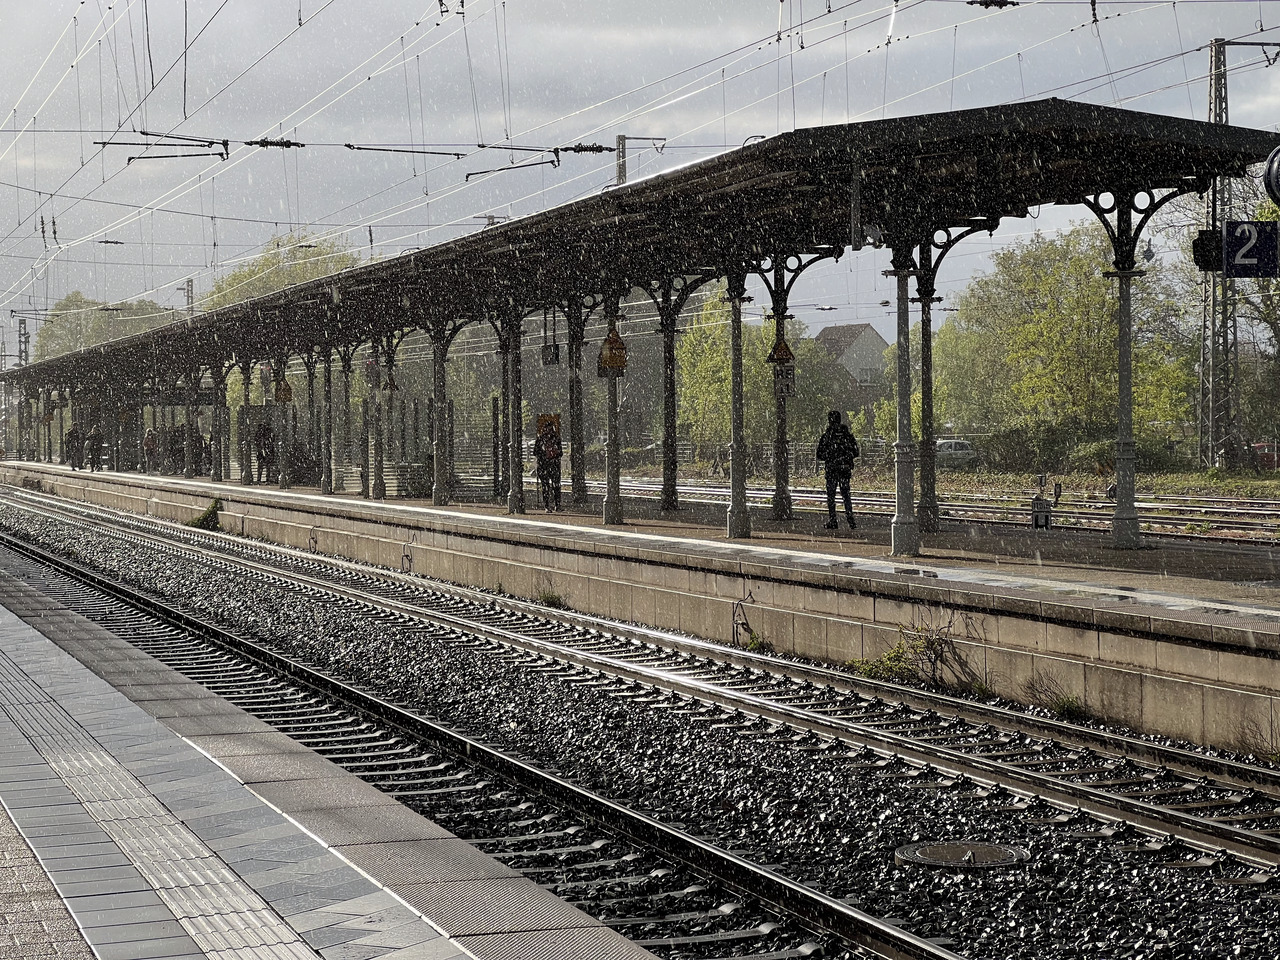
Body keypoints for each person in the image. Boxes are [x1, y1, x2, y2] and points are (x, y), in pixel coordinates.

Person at [816, 410, 858, 530]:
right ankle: (850, 519)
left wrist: (831, 457)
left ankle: (833, 520)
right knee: (846, 495)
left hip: (832, 470)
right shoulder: (847, 435)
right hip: (844, 469)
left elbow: (819, 454)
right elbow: (856, 452)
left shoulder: (827, 436)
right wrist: (845, 458)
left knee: (831, 496)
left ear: (829, 421)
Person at [534, 420, 563, 513]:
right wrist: (545, 453)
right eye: (548, 429)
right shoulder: (541, 439)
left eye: (551, 429)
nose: (549, 432)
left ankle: (556, 505)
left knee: (555, 486)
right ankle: (548, 506)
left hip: (552, 465)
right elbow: (535, 452)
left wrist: (555, 452)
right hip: (545, 465)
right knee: (546, 486)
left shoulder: (555, 439)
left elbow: (561, 453)